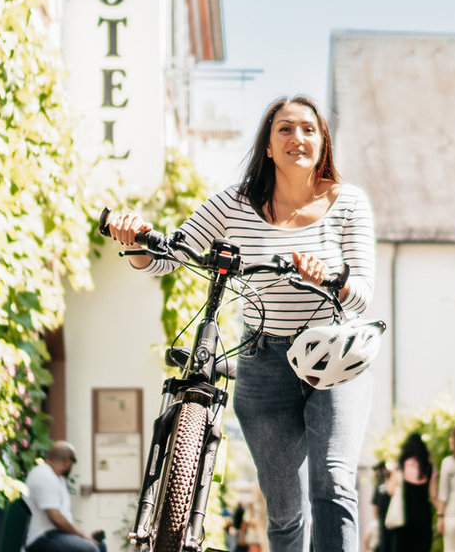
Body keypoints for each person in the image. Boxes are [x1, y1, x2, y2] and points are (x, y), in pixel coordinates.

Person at [106, 94, 377, 552]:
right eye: (285, 129)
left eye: (309, 129)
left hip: (333, 358)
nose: (298, 137)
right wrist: (135, 240)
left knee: (332, 482)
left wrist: (331, 280)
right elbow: (169, 256)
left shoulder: (348, 202)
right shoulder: (234, 203)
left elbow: (363, 295)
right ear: (268, 146)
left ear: (323, 142)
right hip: (263, 360)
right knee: (286, 508)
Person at [23, 441, 107, 552]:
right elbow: (56, 519)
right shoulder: (43, 475)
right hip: (42, 537)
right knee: (90, 549)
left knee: (100, 545)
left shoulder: (57, 478)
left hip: (56, 534)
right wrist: (82, 537)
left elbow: (66, 517)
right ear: (67, 461)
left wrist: (85, 536)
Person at [385, 433, 435, 552]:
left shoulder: (400, 467)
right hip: (424, 518)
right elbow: (433, 495)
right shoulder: (429, 468)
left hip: (404, 518)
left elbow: (391, 491)